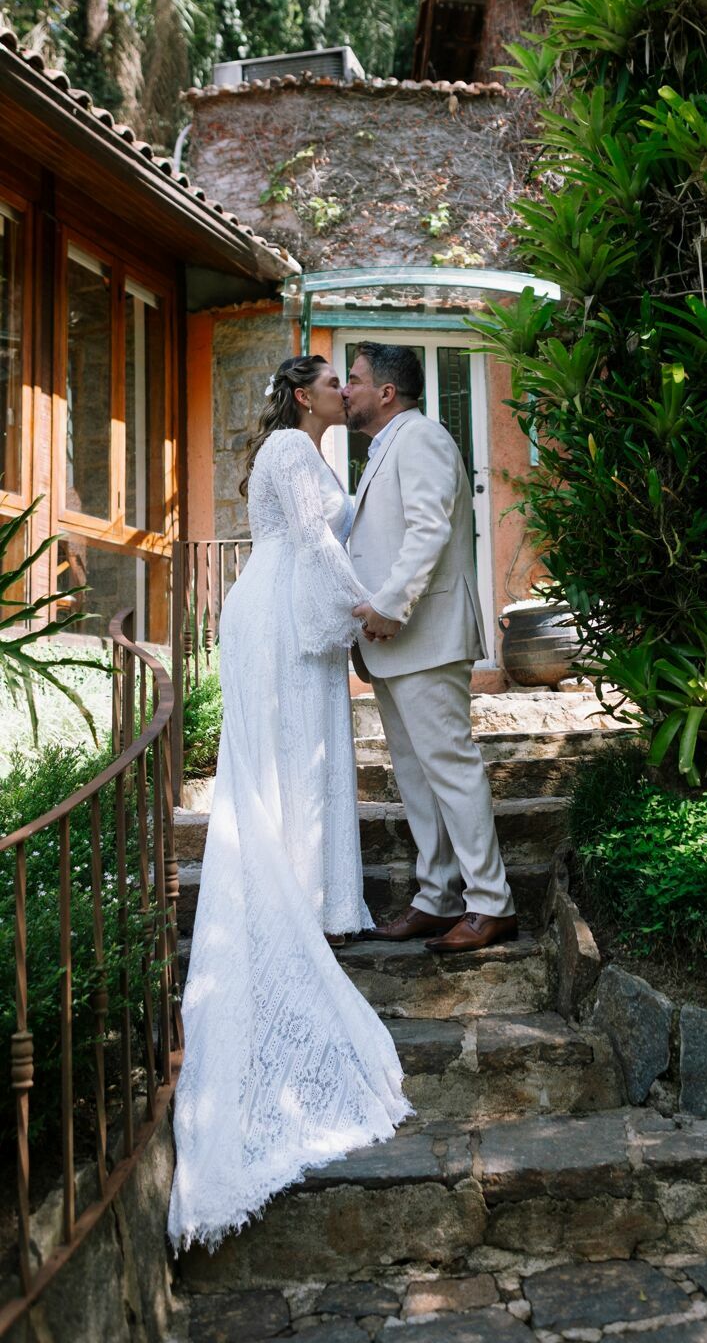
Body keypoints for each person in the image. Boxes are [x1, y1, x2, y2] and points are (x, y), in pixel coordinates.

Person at [168, 355, 410, 1253]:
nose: (344, 392)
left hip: (294, 614)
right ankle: (299, 898)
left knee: (312, 756)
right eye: (331, 383)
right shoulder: (289, 450)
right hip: (274, 613)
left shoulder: (311, 452)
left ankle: (319, 896)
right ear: (303, 395)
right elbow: (314, 543)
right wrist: (370, 609)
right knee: (286, 756)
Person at [344, 341, 517, 954]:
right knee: (415, 776)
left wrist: (389, 606)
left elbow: (427, 529)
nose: (345, 390)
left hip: (426, 635)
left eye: (355, 380)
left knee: (450, 767)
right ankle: (437, 896)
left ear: (386, 393)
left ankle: (491, 903)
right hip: (395, 646)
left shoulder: (420, 439)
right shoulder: (384, 448)